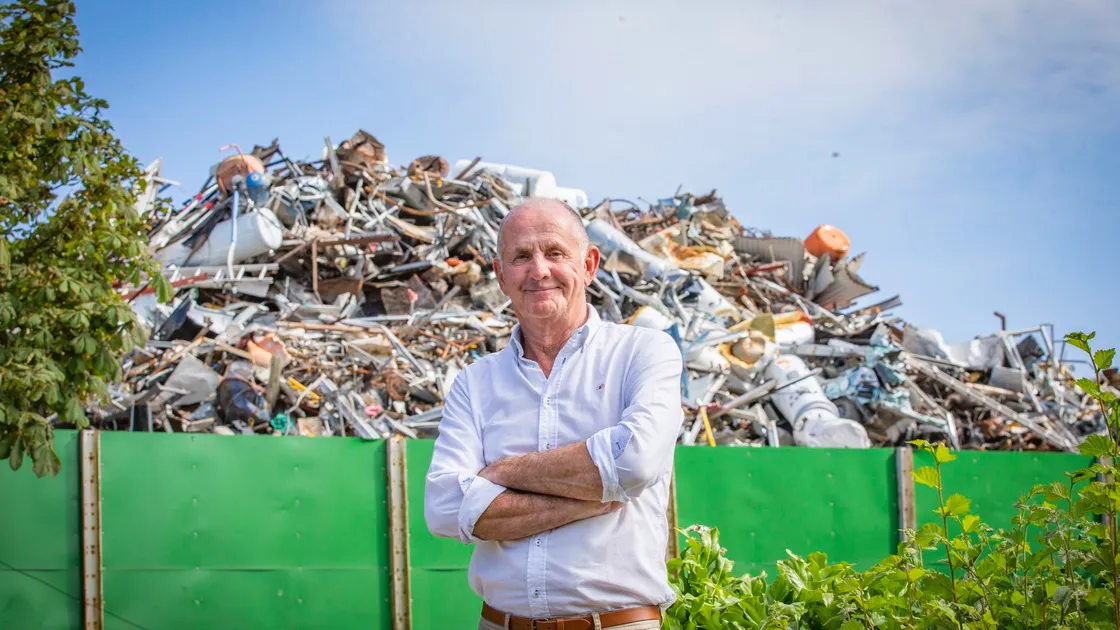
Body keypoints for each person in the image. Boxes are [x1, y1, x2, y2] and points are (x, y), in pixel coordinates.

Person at [424, 197, 685, 630]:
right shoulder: (475, 382)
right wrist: (592, 496)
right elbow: (444, 507)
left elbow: (634, 463)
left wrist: (502, 472)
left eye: (556, 252)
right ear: (500, 275)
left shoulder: (644, 352)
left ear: (589, 265)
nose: (539, 270)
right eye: (521, 256)